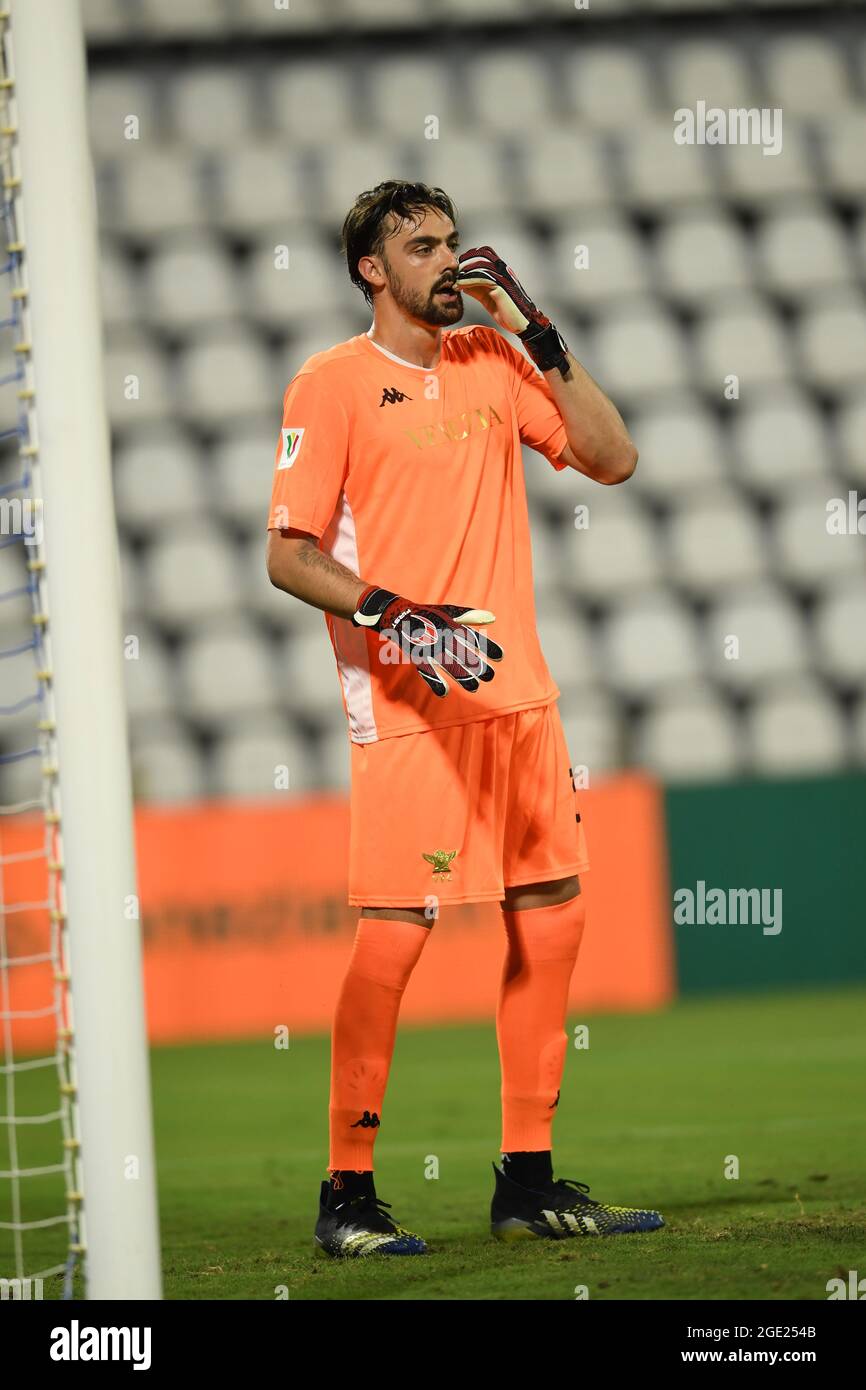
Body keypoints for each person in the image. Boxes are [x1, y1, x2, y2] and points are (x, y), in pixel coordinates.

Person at [265, 180, 664, 1256]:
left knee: (552, 909)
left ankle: (525, 1181)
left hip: (516, 692)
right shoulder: (331, 385)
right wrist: (399, 617)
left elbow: (612, 457)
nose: (448, 261)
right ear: (370, 268)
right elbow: (289, 555)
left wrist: (534, 329)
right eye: (421, 247)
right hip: (407, 695)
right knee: (396, 932)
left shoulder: (493, 362)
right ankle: (346, 1194)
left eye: (452, 242)